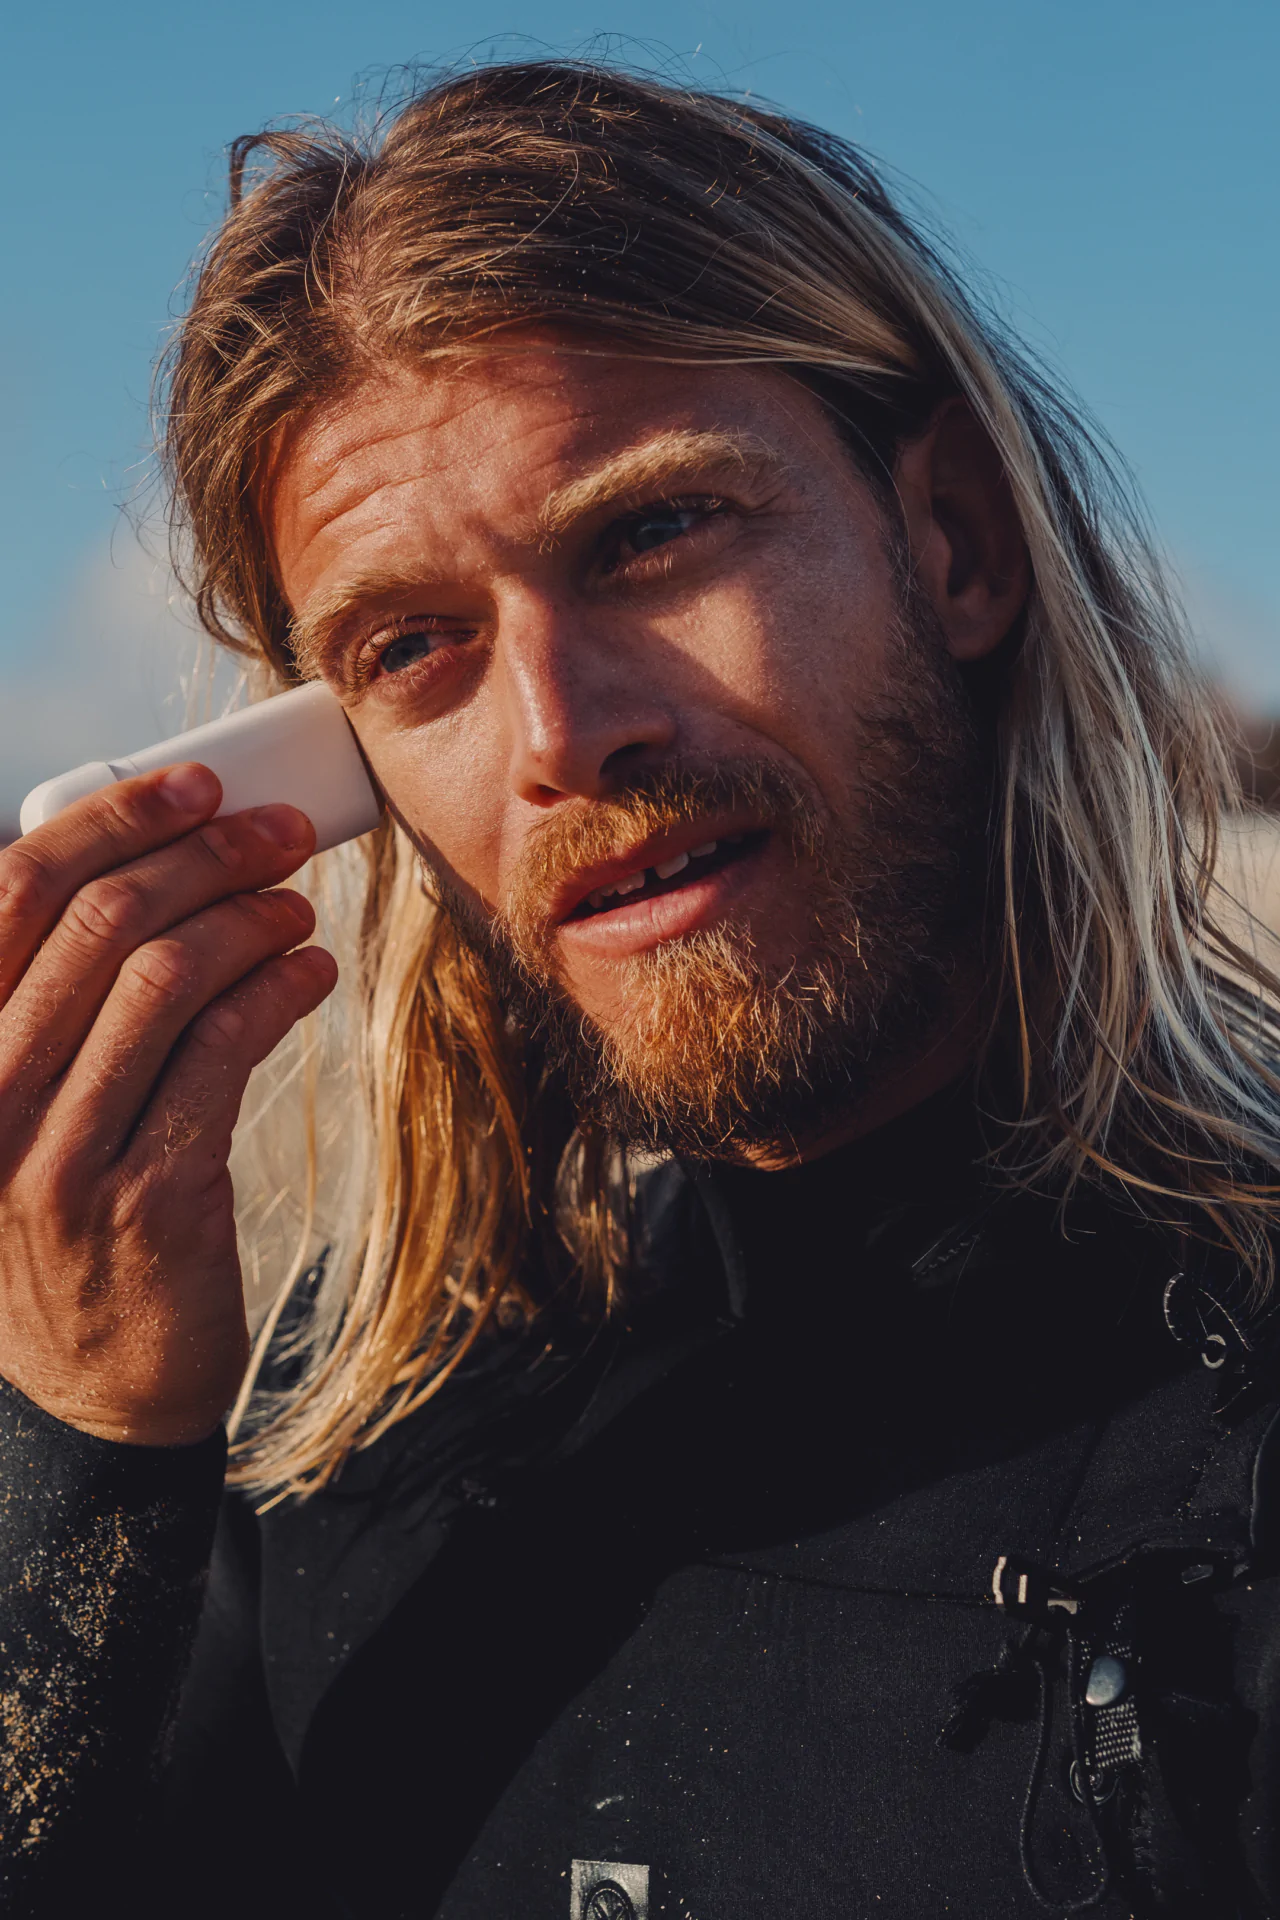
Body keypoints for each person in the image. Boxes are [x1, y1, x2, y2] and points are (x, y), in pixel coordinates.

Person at [0, 59, 1277, 1920]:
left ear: (960, 545)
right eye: (413, 646)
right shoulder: (347, 1434)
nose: (562, 737)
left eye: (653, 534)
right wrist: (90, 1435)